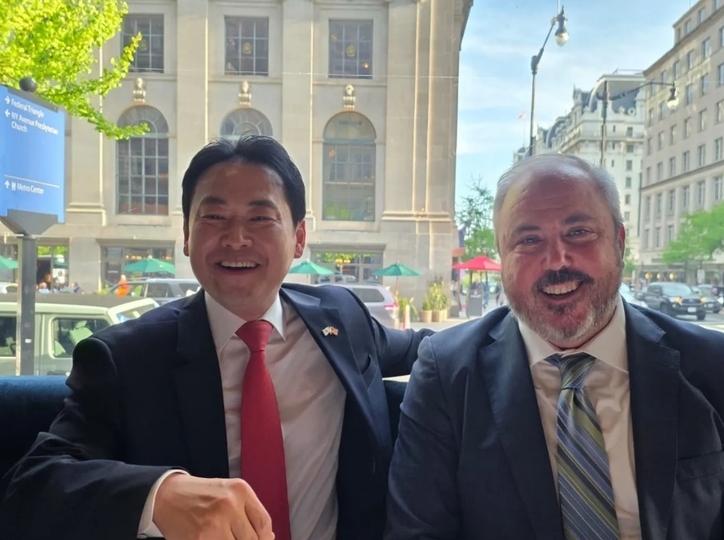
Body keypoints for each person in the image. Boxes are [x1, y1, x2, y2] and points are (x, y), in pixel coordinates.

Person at [0, 136, 432, 540]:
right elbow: (32, 486)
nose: (236, 238)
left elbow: (430, 350)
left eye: (260, 218)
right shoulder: (126, 358)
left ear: (299, 238)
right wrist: (159, 495)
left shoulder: (342, 319)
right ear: (187, 236)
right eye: (214, 217)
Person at [385, 154, 724, 540]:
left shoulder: (712, 364)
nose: (556, 260)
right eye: (529, 240)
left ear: (619, 242)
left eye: (578, 232)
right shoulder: (446, 376)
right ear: (503, 257)